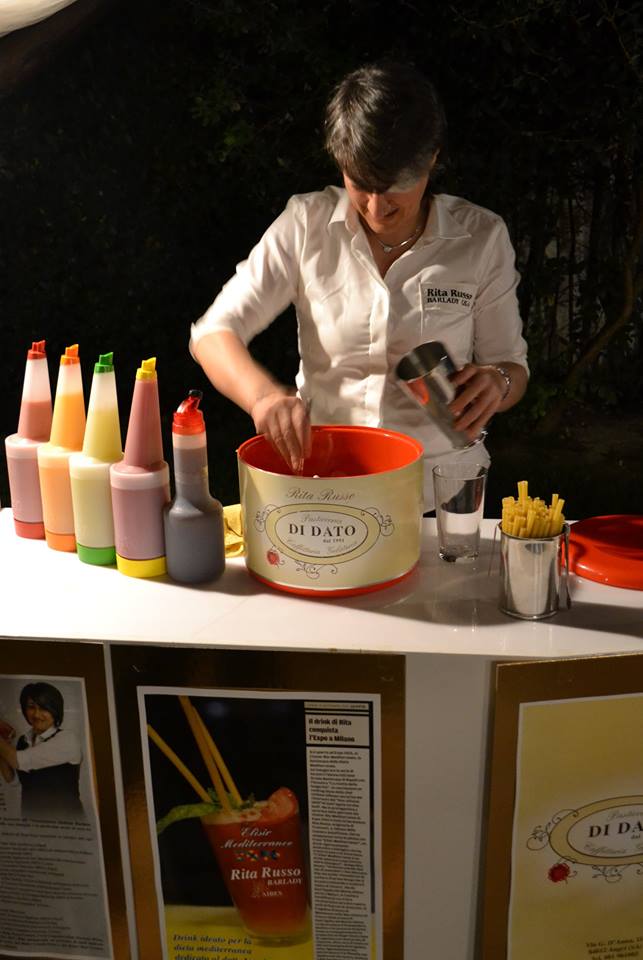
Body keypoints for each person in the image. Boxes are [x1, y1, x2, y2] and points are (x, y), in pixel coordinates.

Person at [190, 61, 529, 509]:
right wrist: (264, 398)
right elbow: (213, 333)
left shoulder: (480, 237)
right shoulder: (306, 225)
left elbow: (512, 367)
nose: (375, 206)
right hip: (327, 484)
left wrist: (497, 382)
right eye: (360, 184)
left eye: (395, 187)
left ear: (431, 157)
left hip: (442, 489)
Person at [0, 682, 85, 819]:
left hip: (66, 822)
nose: (37, 714)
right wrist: (3, 742)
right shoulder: (24, 740)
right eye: (31, 707)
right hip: (32, 823)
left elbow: (20, 761)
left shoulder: (68, 739)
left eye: (44, 708)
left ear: (55, 710)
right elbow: (13, 780)